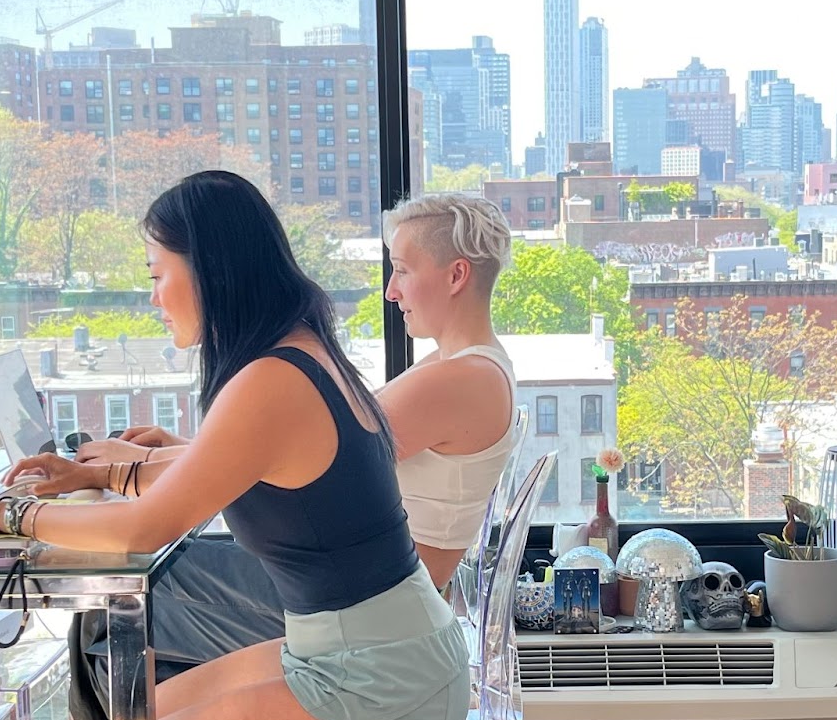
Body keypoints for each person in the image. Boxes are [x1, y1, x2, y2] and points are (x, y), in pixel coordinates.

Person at [0, 171, 471, 720]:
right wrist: (92, 475)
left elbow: (140, 528)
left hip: (381, 679)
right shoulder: (297, 352)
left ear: (209, 269)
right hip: (372, 651)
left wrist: (8, 515)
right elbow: (200, 474)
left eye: (158, 273)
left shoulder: (271, 379)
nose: (153, 296)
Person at [75, 192, 520, 590]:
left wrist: (114, 472)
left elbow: (312, 456)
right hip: (358, 579)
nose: (390, 291)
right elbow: (287, 449)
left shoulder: (459, 381)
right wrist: (182, 451)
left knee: (130, 597)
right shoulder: (459, 368)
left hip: (361, 594)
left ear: (457, 275)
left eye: (402, 271)